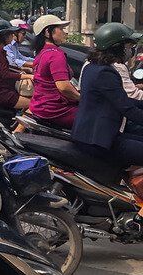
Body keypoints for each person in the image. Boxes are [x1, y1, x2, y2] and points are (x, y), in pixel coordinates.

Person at [72, 22, 143, 186]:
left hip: (98, 135)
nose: (130, 50)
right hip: (99, 140)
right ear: (116, 47)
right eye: (128, 46)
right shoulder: (105, 72)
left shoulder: (94, 67)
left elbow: (123, 101)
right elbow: (127, 109)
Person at [29, 15, 80, 129]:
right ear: (47, 32)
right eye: (61, 29)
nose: (64, 32)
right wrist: (82, 98)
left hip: (40, 106)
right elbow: (64, 87)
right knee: (98, 118)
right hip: (55, 109)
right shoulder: (55, 54)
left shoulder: (42, 52)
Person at [0, 20, 33, 110]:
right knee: (34, 104)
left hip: (1, 89)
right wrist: (30, 77)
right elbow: (6, 74)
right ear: (3, 36)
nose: (13, 36)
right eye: (10, 34)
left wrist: (25, 70)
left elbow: (6, 67)